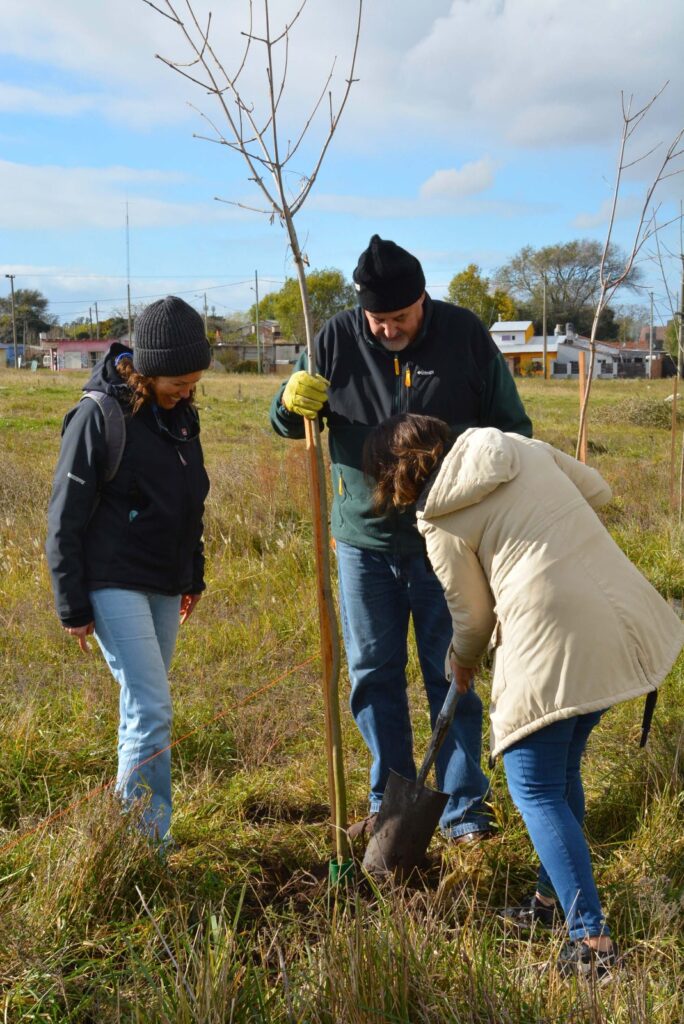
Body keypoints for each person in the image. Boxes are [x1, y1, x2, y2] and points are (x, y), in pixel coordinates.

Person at [363, 412, 684, 976]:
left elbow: (473, 616)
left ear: (393, 476)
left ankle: (591, 943)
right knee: (559, 776)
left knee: (533, 787)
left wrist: (460, 663)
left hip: (552, 632)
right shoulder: (513, 445)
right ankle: (550, 903)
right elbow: (598, 489)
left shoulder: (439, 518)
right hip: (617, 611)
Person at [270, 235, 532, 843]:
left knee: (454, 675)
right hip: (362, 544)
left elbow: (512, 429)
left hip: (447, 542)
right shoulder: (334, 337)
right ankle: (389, 805)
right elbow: (284, 420)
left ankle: (464, 809)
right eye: (377, 319)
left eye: (400, 318)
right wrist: (289, 402)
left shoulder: (465, 336)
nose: (387, 330)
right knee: (372, 675)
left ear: (423, 300)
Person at [46, 296, 212, 845]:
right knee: (152, 708)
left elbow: (191, 500)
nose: (188, 390)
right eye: (179, 381)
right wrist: (71, 603)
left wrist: (192, 575)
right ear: (149, 367)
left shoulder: (181, 416)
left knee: (142, 709)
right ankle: (144, 847)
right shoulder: (99, 415)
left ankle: (125, 833)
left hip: (164, 582)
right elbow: (64, 516)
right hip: (112, 581)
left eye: (194, 381)